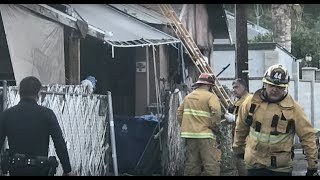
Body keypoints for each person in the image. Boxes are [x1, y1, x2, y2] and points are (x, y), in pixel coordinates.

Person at [233, 64, 319, 176]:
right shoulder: (250, 103)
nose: (275, 89)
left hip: (280, 168)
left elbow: (307, 137)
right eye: (271, 85)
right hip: (254, 164)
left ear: (285, 87)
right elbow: (241, 127)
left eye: (280, 87)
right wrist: (238, 149)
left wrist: (312, 166)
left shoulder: (294, 109)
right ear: (265, 84)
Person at [0, 76, 72, 176]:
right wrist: (67, 169)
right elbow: (60, 144)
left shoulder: (7, 114)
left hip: (16, 170)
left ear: (20, 92)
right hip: (40, 170)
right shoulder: (47, 114)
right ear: (38, 93)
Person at [177, 73, 222, 176]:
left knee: (191, 165)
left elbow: (179, 113)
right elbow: (216, 111)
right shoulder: (211, 96)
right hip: (205, 135)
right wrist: (213, 125)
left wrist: (185, 125)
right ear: (209, 85)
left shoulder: (188, 97)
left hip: (190, 135)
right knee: (210, 164)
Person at [224, 78, 252, 176]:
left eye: (236, 87)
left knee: (245, 168)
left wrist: (234, 118)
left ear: (244, 87)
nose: (234, 90)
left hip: (247, 142)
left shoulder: (249, 101)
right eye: (233, 87)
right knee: (240, 167)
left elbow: (250, 121)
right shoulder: (239, 102)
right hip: (239, 141)